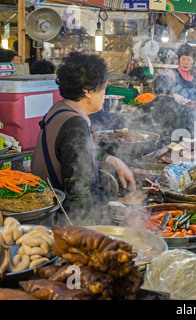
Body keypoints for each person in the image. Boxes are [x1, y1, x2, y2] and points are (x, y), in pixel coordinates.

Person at [31, 52, 136, 223]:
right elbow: (80, 193)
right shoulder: (75, 125)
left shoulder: (59, 109)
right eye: (103, 87)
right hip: (61, 223)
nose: (104, 93)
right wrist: (93, 233)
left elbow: (70, 154)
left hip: (49, 214)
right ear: (87, 91)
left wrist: (109, 159)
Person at [134, 74, 194, 139]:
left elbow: (136, 134)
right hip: (177, 148)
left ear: (153, 91)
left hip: (150, 148)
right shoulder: (186, 111)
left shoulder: (141, 109)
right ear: (173, 91)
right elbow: (191, 137)